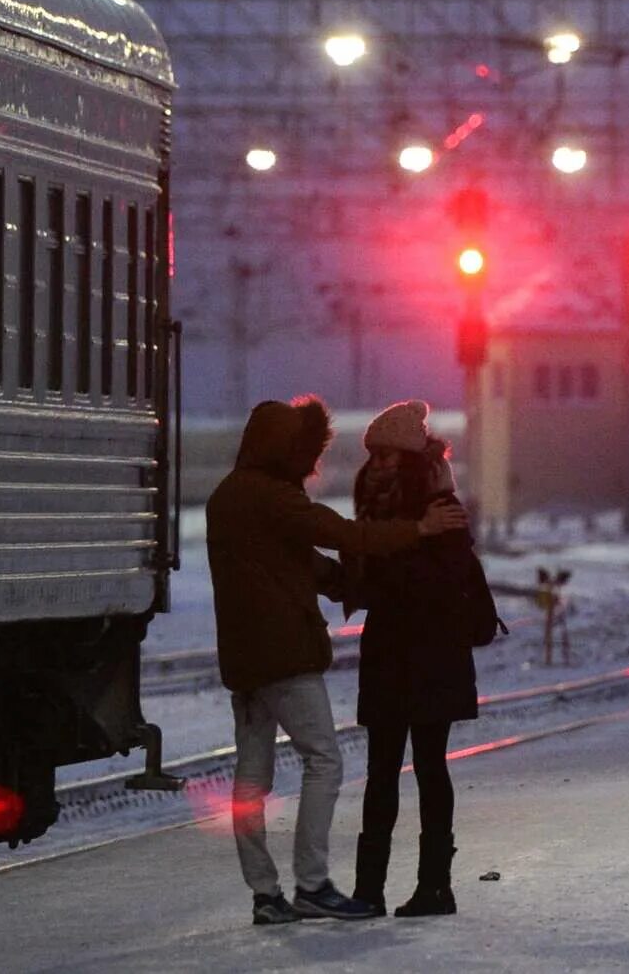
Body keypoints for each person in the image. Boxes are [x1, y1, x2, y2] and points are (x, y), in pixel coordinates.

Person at [205, 396, 469, 926]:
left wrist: (351, 582)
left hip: (255, 661)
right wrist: (411, 535)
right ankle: (315, 884)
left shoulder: (228, 497)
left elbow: (297, 561)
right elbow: (338, 535)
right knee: (326, 762)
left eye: (391, 456)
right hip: (290, 656)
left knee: (253, 779)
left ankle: (268, 894)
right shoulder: (272, 497)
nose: (379, 464)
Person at [343, 400, 483, 918]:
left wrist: (386, 559)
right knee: (381, 770)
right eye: (373, 456)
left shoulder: (439, 509)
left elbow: (437, 584)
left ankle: (435, 886)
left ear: (409, 458)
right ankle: (368, 889)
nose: (377, 465)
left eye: (386, 456)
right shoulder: (384, 509)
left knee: (427, 766)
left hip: (430, 654)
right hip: (391, 653)